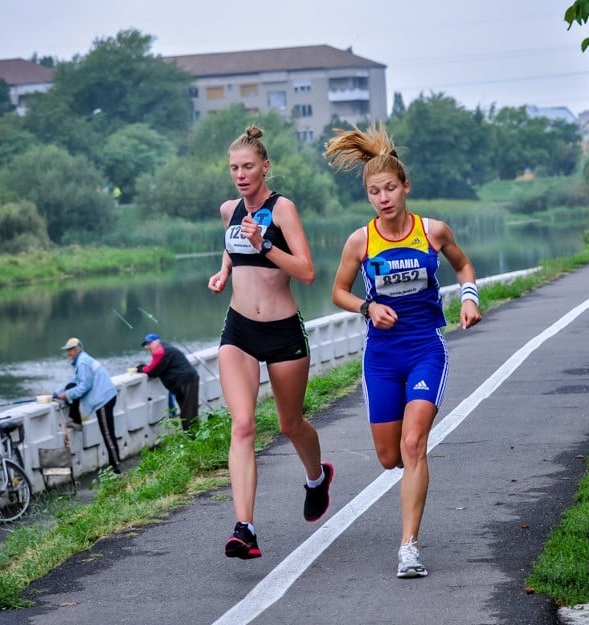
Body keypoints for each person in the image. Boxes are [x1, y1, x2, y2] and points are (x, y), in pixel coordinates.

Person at [324, 122, 483, 578]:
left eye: (390, 187)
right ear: (369, 197)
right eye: (375, 191)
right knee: (389, 456)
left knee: (414, 444)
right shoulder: (361, 240)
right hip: (381, 355)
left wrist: (469, 299)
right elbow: (338, 291)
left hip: (424, 348)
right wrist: (368, 307)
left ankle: (408, 547)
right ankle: (408, 492)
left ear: (405, 187)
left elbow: (464, 265)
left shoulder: (432, 231)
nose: (384, 197)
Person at [207, 125, 332, 560]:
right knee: (242, 425)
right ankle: (245, 528)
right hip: (239, 330)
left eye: (247, 167)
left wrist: (265, 247)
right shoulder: (228, 210)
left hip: (281, 331)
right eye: (233, 168)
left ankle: (317, 476)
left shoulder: (283, 210)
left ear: (265, 167)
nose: (240, 174)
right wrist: (224, 272)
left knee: (289, 424)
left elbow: (308, 271)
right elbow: (231, 244)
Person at [55, 338, 122, 474]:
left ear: (77, 349)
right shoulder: (82, 361)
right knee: (109, 434)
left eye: (70, 350)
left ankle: (117, 469)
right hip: (106, 397)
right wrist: (56, 393)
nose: (68, 353)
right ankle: (116, 466)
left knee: (108, 435)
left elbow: (85, 386)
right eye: (68, 350)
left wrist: (66, 395)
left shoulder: (83, 362)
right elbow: (74, 382)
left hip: (103, 399)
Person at [136, 333, 201, 432]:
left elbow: (152, 371)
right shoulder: (164, 347)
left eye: (149, 344)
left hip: (185, 381)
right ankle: (193, 436)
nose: (148, 347)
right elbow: (157, 366)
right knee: (187, 411)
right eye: (146, 344)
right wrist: (144, 367)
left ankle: (193, 438)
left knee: (188, 412)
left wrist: (140, 368)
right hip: (186, 380)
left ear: (156, 341)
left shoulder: (159, 351)